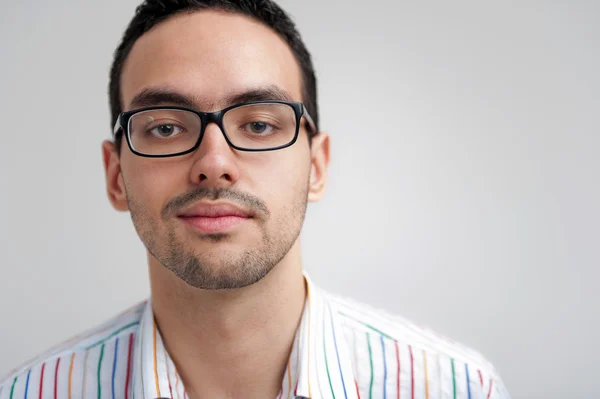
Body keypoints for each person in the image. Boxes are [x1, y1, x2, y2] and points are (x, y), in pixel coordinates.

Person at [0, 1, 510, 398]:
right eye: (165, 127)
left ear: (316, 166)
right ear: (116, 176)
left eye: (260, 124)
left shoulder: (457, 388)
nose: (214, 162)